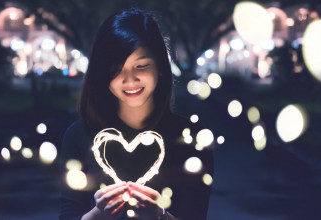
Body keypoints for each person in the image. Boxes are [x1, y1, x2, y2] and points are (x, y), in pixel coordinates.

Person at [59, 8, 213, 220]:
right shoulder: (78, 135)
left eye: (141, 66)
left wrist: (160, 215)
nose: (129, 80)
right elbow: (69, 213)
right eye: (116, 68)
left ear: (160, 66)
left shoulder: (191, 138)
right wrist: (98, 215)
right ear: (102, 72)